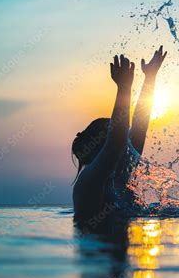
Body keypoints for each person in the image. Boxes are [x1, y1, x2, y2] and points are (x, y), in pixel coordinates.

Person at [71, 46, 167, 224]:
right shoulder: (90, 178)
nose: (127, 142)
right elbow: (116, 141)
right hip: (100, 250)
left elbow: (138, 127)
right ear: (100, 145)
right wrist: (123, 88)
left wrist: (150, 78)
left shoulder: (120, 174)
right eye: (121, 134)